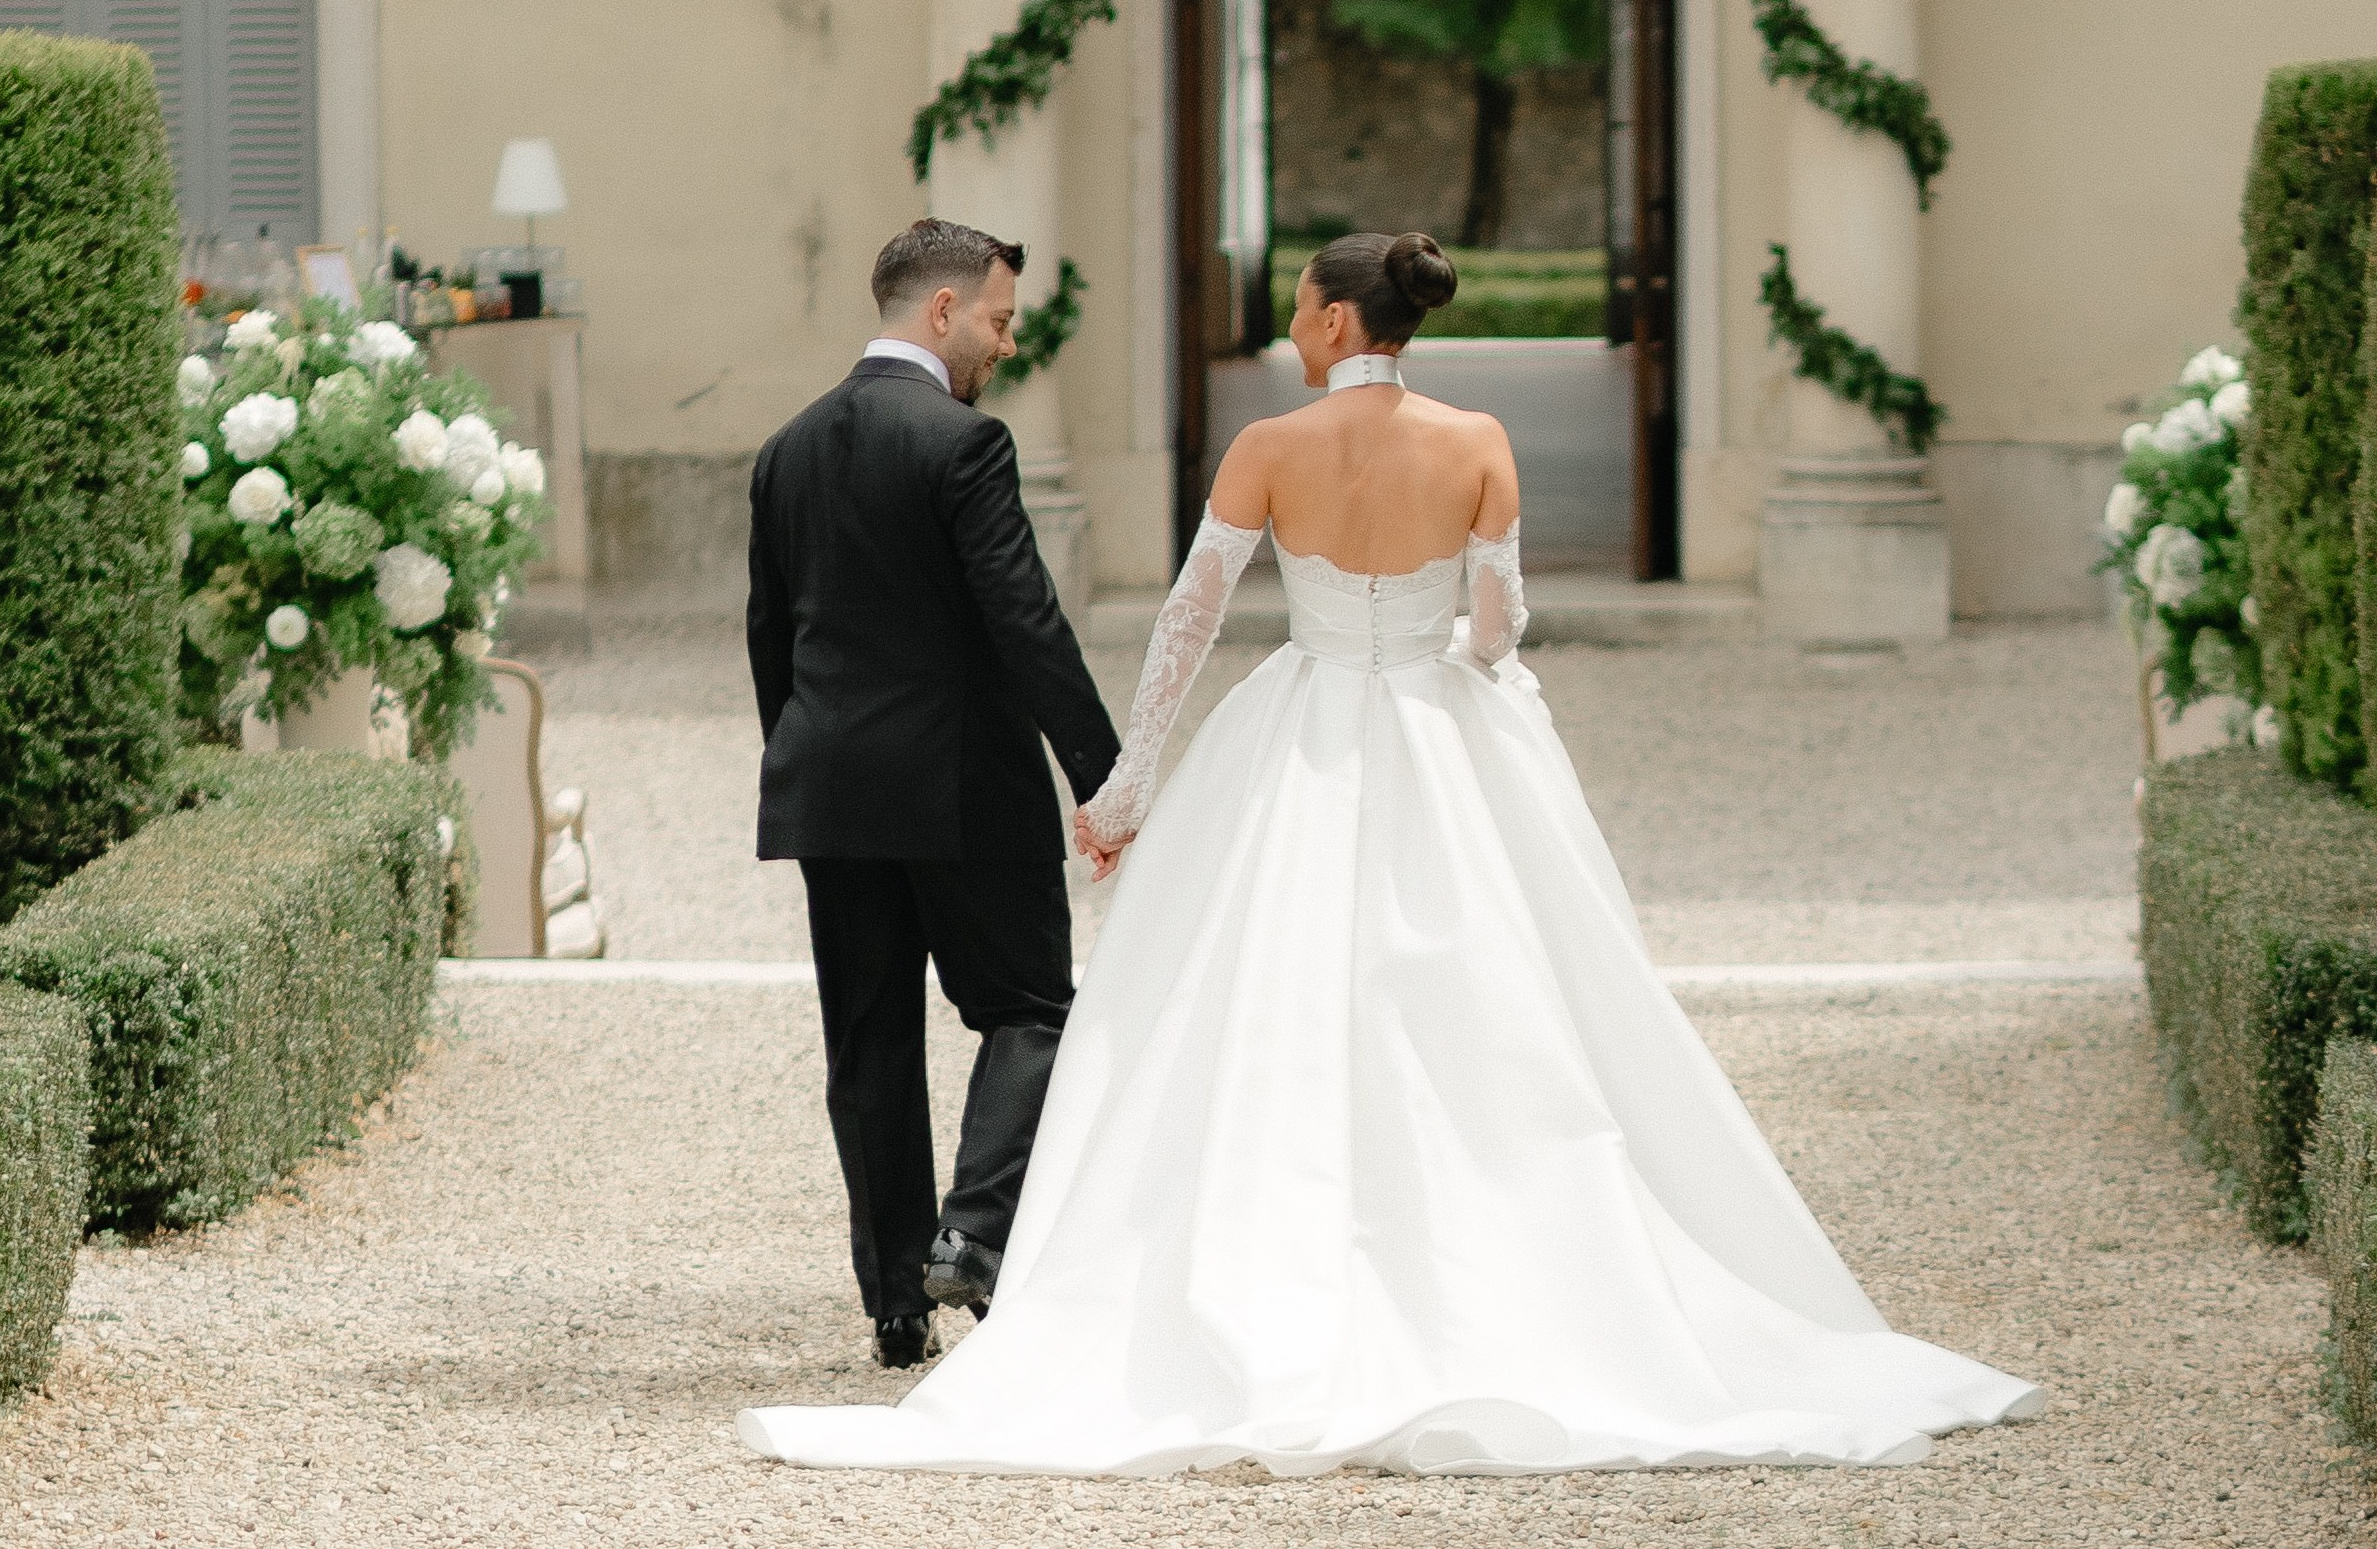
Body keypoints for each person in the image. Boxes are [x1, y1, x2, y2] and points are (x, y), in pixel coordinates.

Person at [739, 230, 2046, 1474]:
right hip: (1433, 725)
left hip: (1285, 727)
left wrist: (1127, 787)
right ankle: (1469, 1257)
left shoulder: (1263, 446)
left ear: (1331, 319)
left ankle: (966, 1280)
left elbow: (1189, 622)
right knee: (1488, 992)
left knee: (1243, 996)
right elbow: (1499, 620)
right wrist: (1451, 658)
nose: (1290, 325)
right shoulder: (1477, 441)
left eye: (1298, 308)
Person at [745, 218, 1120, 1371]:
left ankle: (893, 1302)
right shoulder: (965, 443)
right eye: (998, 321)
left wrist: (806, 758)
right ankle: (972, 1231)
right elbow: (1025, 621)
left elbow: (770, 638)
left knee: (868, 1040)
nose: (1004, 344)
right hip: (965, 785)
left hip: (830, 788)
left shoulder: (785, 448)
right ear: (943, 309)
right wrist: (1106, 776)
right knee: (1029, 1005)